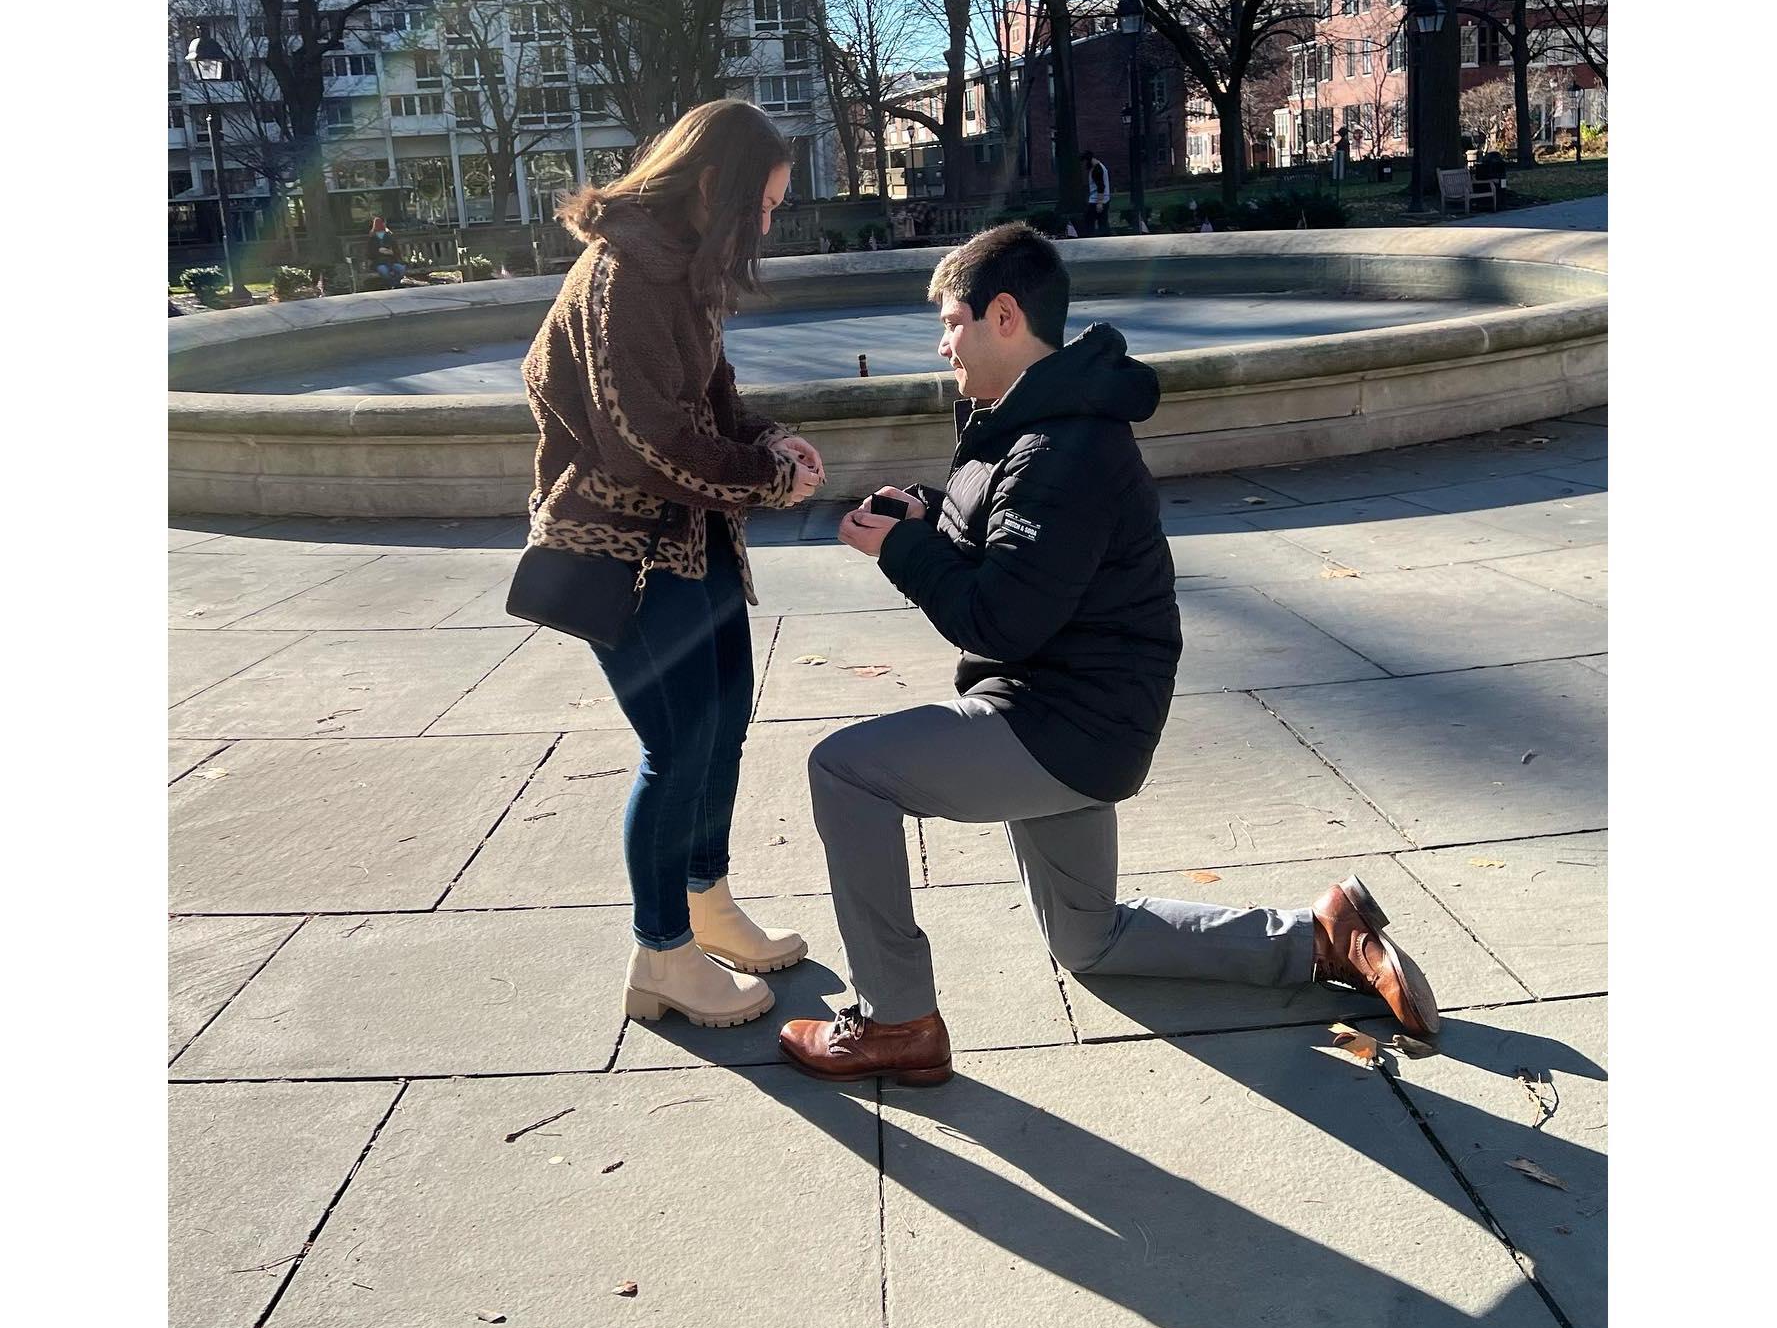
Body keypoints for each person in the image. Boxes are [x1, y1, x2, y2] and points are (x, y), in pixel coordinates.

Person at [779, 223, 1439, 1085]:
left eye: (951, 322)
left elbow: (1002, 618)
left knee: (845, 769)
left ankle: (896, 1018)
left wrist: (899, 552)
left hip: (1058, 720)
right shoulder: (1025, 423)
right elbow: (1011, 551)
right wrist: (925, 516)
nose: (940, 343)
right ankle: (1320, 936)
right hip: (1074, 709)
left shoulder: (1063, 445)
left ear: (1003, 315)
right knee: (1088, 939)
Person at [522, 99, 828, 1029]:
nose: (767, 224)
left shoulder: (681, 269)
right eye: (764, 205)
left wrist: (772, 439)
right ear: (712, 187)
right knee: (677, 745)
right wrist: (768, 480)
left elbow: (712, 398)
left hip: (691, 542)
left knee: (723, 722)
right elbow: (640, 440)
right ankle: (660, 953)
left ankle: (704, 899)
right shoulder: (622, 273)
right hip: (623, 551)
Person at [367, 217, 406, 288]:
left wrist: (391, 252)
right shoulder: (372, 240)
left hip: (391, 261)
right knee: (384, 271)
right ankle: (392, 285)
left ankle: (395, 284)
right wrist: (380, 252)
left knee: (401, 269)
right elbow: (370, 255)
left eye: (382, 232)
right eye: (378, 232)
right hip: (379, 263)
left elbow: (397, 251)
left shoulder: (390, 238)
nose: (380, 233)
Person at [1082, 152, 1112, 235]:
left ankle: (1091, 238)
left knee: (1089, 221)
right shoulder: (1101, 167)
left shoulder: (1097, 169)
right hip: (1104, 199)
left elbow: (1101, 186)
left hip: (1096, 200)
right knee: (1102, 222)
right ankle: (1105, 237)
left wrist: (1099, 203)